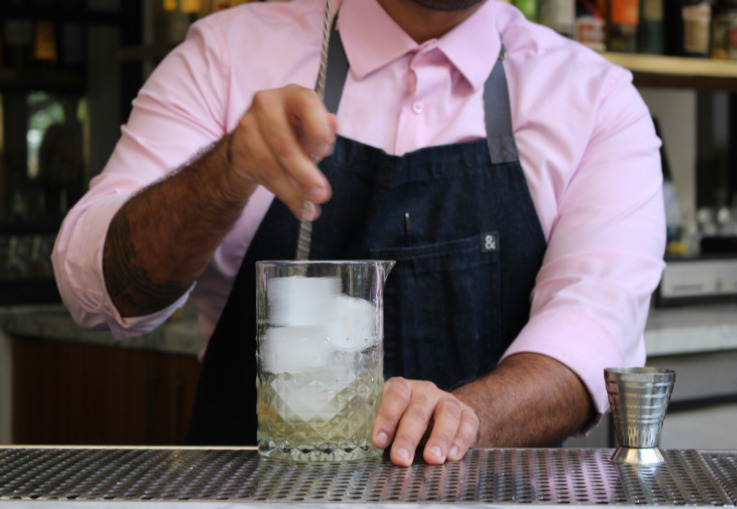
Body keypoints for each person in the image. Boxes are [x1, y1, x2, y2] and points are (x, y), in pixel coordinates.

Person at [52, 0, 666, 467]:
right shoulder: (227, 57)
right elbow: (98, 292)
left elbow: (590, 335)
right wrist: (227, 167)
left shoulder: (595, 102)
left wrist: (464, 418)